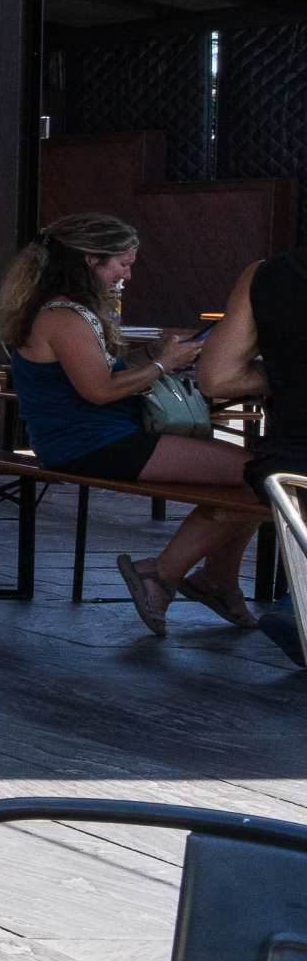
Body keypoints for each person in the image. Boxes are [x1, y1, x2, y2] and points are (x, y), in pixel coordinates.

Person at [0, 211, 257, 636]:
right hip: (92, 442)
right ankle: (163, 575)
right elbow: (98, 391)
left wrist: (146, 357)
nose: (128, 275)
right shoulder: (64, 316)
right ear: (89, 261)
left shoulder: (59, 311)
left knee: (252, 479)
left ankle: (213, 580)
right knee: (256, 474)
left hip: (90, 437)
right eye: (123, 263)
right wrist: (161, 363)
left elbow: (95, 375)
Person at [195, 229, 306, 661]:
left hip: (290, 469)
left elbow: (216, 378)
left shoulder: (265, 275)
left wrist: (286, 373)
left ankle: (298, 604)